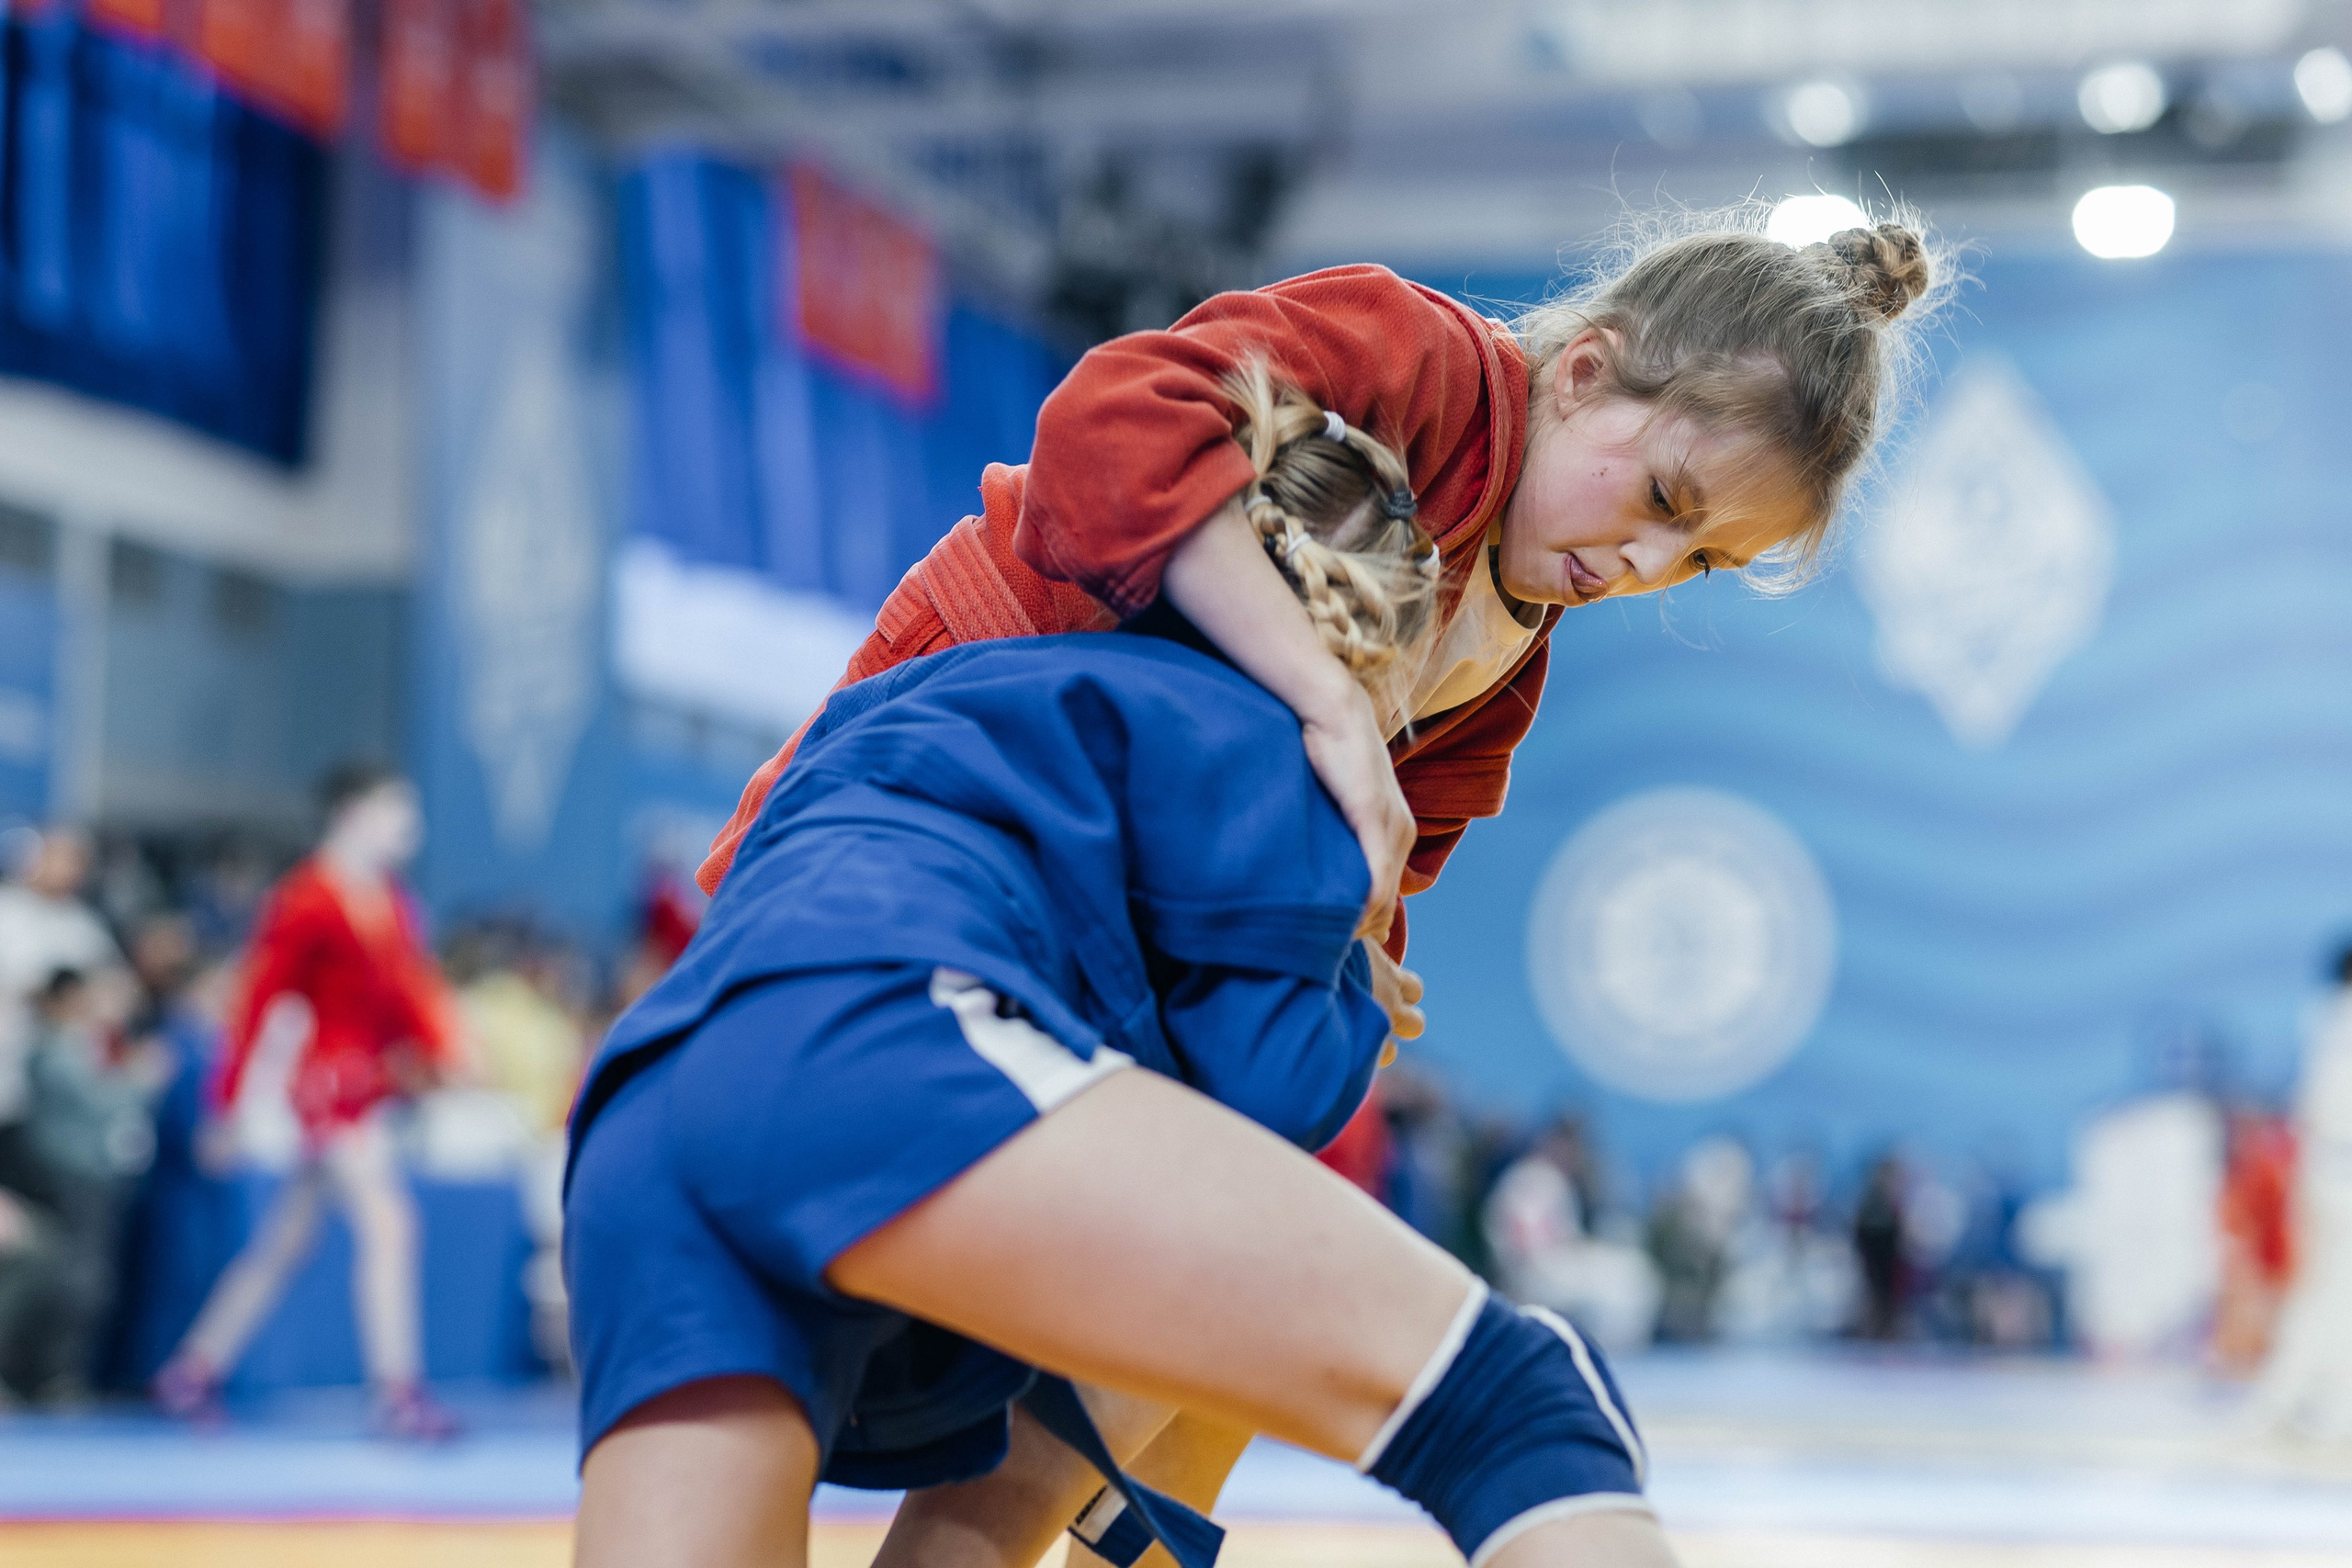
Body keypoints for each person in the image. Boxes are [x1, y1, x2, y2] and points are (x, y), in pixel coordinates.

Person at [684, 208, 1943, 1535]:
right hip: (944, 792)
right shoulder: (1423, 355)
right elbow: (1107, 419)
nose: (1642, 564)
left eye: (1698, 560)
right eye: (1664, 503)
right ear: (1583, 373)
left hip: (1103, 908)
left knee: (1214, 1300)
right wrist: (1324, 694)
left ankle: (1095, 1518)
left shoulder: (1510, 669)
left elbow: (1366, 874)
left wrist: (1363, 956)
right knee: (804, 1303)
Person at [569, 369, 1675, 1568]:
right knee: (1521, 1402)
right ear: (1375, 657)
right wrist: (1347, 965)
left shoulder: (953, 674)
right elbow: (1266, 1117)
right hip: (880, 1036)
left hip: (651, 1103)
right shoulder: (1272, 745)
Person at [151, 763, 465, 1438]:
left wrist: (441, 1051)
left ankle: (192, 1367)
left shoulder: (389, 899)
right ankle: (397, 1390)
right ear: (352, 812)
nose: (409, 826)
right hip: (324, 1086)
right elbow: (260, 1000)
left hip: (365, 1082)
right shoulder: (307, 897)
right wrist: (226, 1101)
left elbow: (409, 992)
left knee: (287, 1240)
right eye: (395, 809)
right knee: (389, 1223)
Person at [0, 827, 130, 1200]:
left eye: (76, 861)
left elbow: (118, 989)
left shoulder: (83, 926)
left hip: (63, 1087)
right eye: (57, 857)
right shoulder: (6, 912)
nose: (67, 869)